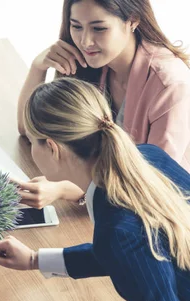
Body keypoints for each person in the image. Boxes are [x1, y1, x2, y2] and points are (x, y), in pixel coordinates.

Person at [0, 78, 190, 301]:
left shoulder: (118, 230)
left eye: (33, 141)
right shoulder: (147, 158)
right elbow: (132, 254)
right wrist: (36, 260)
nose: (31, 148)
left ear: (51, 147)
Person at [15, 0, 190, 209]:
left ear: (132, 20)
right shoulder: (88, 65)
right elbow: (30, 129)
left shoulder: (170, 84)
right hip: (112, 202)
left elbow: (150, 180)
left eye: (99, 28)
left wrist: (64, 188)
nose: (85, 41)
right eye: (76, 26)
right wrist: (38, 67)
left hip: (161, 212)